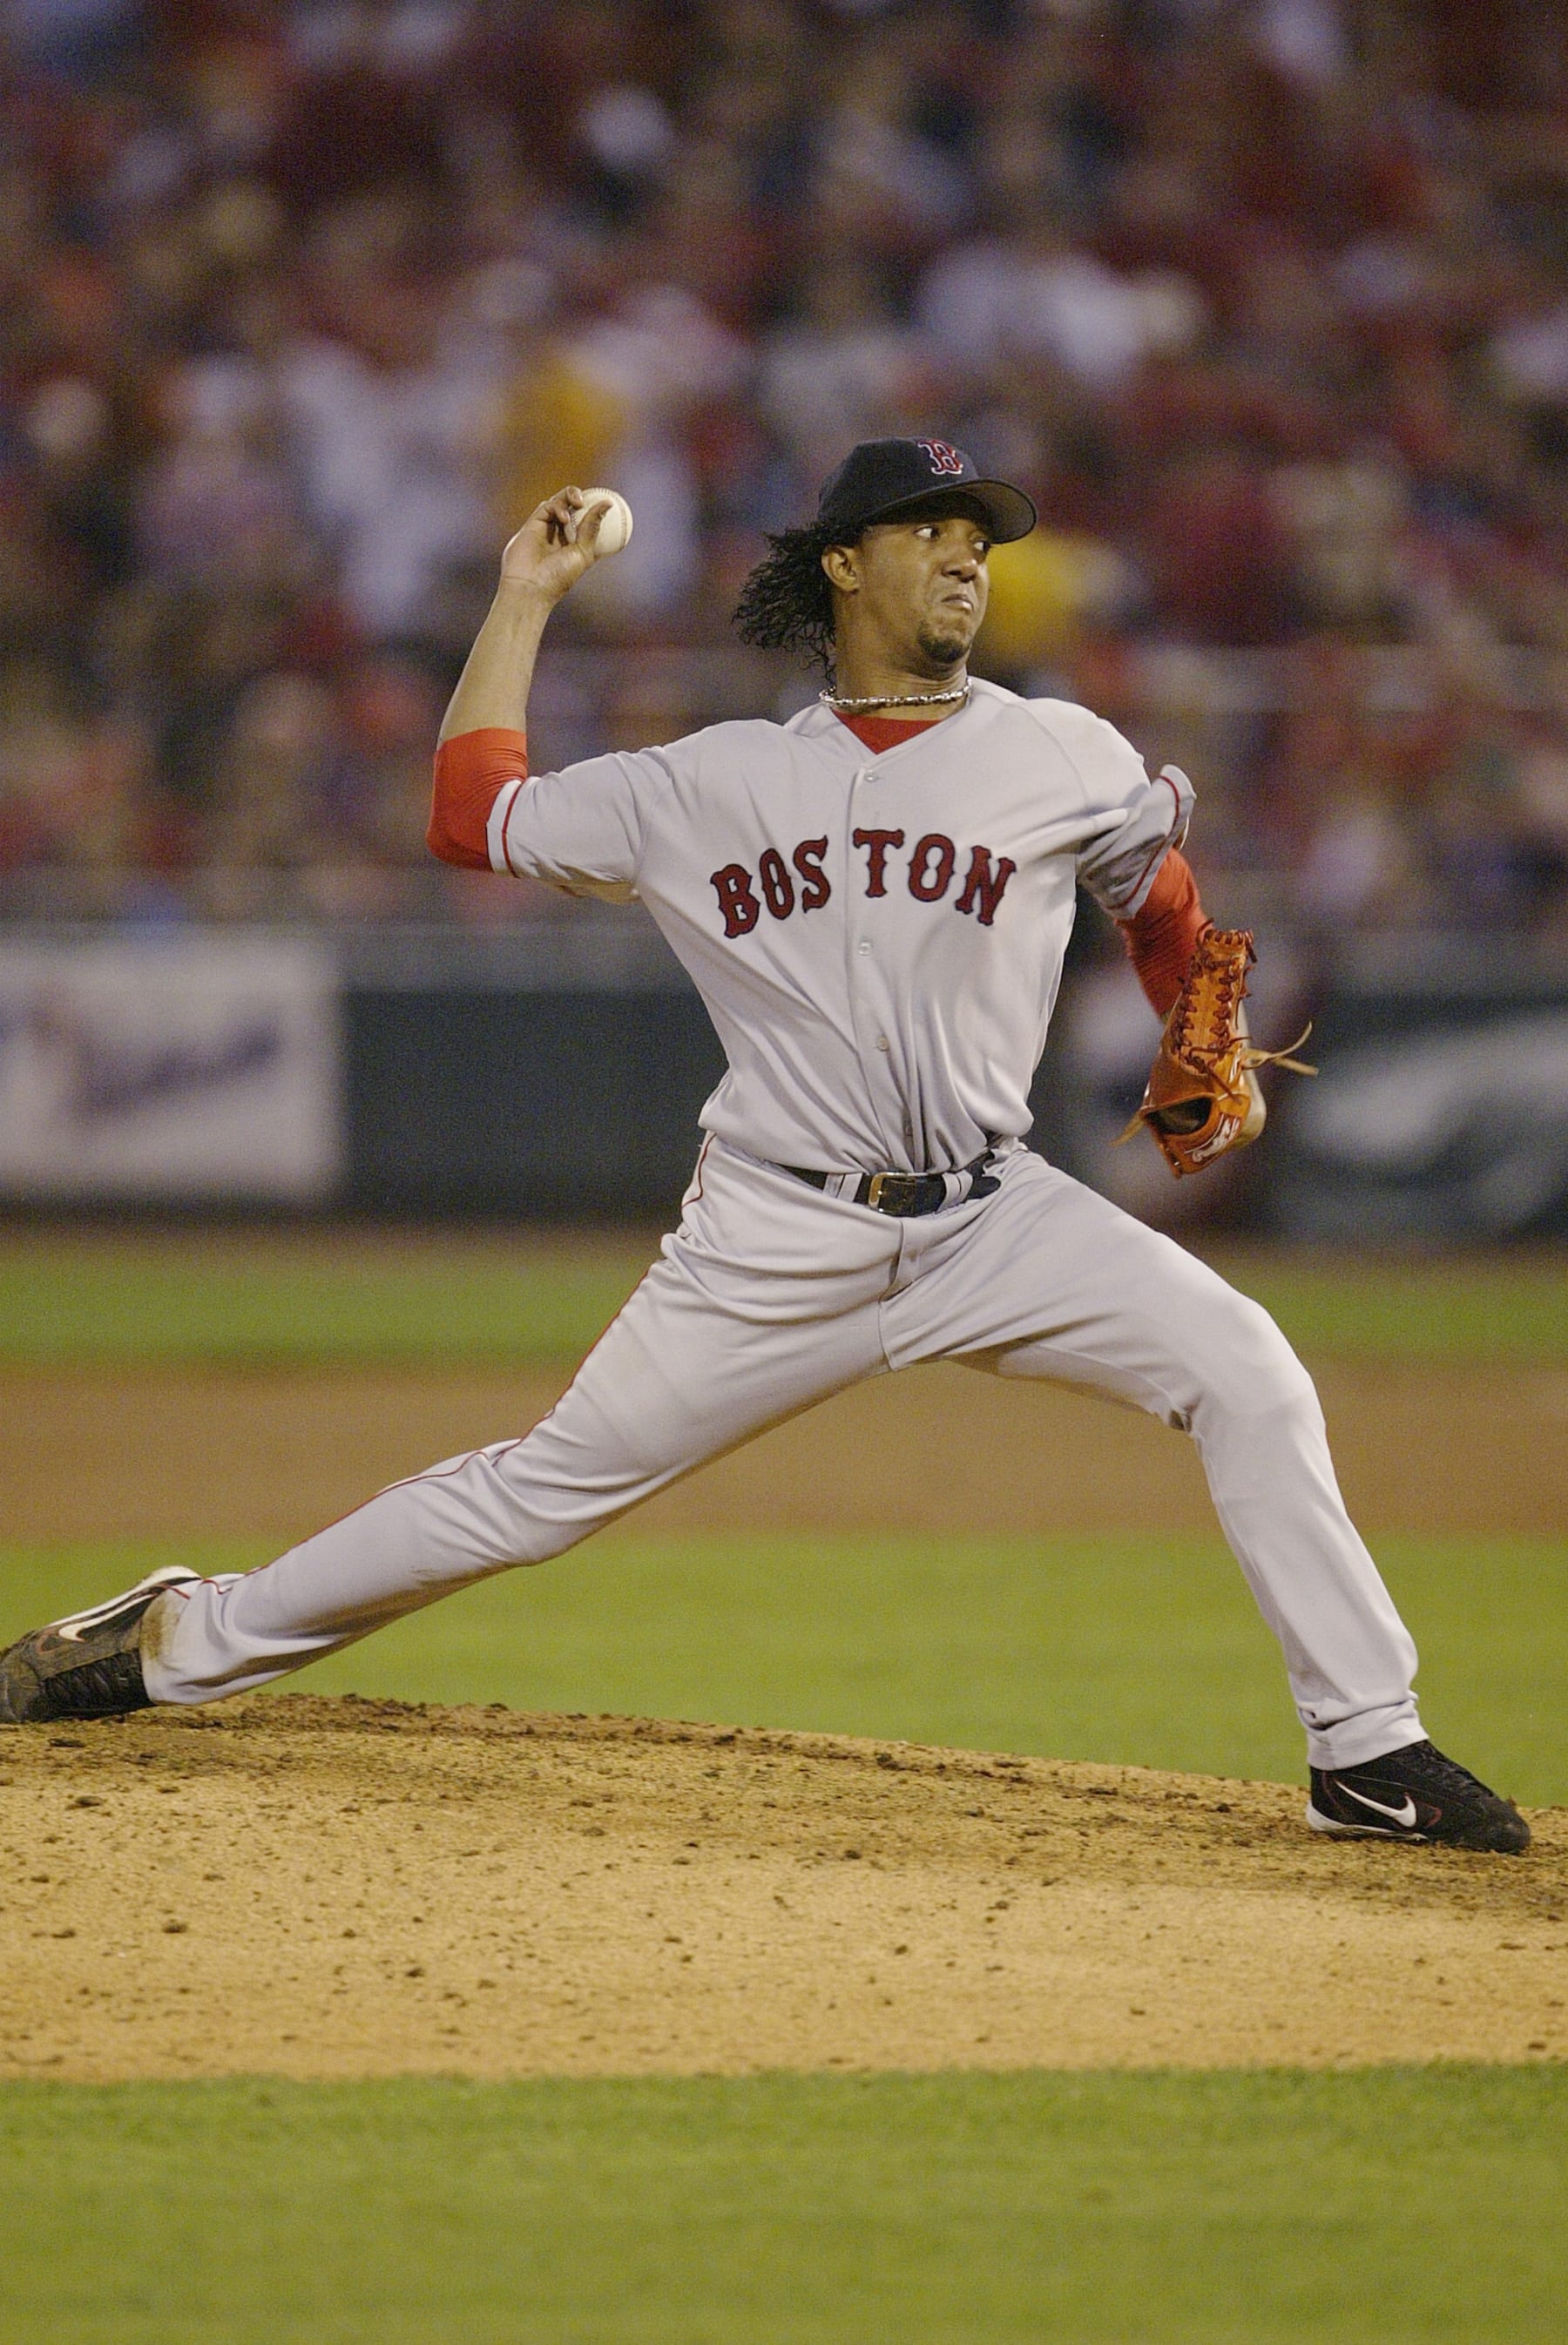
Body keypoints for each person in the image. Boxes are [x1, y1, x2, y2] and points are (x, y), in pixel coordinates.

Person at [0, 438, 1528, 1854]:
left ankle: (1363, 1746)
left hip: (1000, 1221)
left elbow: (1166, 902)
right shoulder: (709, 781)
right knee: (539, 1493)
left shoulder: (1060, 749)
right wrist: (524, 592)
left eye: (977, 540)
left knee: (1246, 1366)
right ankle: (182, 1640)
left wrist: (1199, 1029)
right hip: (773, 1235)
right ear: (842, 569)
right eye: (927, 532)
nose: (964, 561)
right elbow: (474, 816)